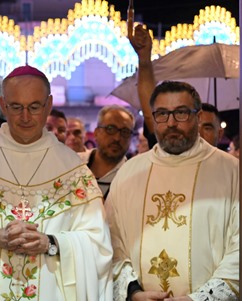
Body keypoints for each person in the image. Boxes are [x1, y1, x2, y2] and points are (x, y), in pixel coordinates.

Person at [0, 65, 113, 300]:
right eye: (16, 107)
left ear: (48, 105)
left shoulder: (71, 168)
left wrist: (51, 243)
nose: (25, 117)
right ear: (2, 105)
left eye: (34, 107)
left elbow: (97, 245)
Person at [105, 81, 239, 301]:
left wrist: (199, 298)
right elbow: (111, 242)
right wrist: (133, 292)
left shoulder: (232, 171)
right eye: (162, 114)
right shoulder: (129, 173)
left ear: (198, 116)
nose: (171, 123)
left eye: (181, 113)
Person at [130, 24, 225, 149]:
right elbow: (149, 109)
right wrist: (144, 59)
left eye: (207, 127)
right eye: (182, 115)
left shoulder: (230, 166)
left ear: (220, 133)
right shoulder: (167, 151)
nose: (200, 133)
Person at [87, 105, 135, 199]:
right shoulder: (74, 165)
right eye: (110, 129)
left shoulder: (134, 179)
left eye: (125, 132)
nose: (117, 138)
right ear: (96, 133)